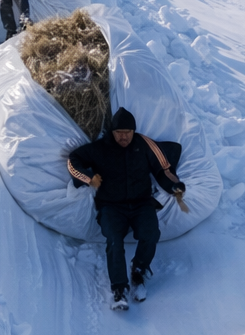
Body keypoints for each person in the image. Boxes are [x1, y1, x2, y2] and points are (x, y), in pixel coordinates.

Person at [67, 108, 187, 310]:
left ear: (134, 130)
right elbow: (73, 161)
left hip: (142, 203)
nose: (123, 136)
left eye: (127, 132)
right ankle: (119, 289)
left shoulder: (144, 144)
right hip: (111, 206)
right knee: (114, 240)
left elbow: (163, 167)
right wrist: (89, 177)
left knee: (151, 233)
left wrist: (174, 186)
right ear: (112, 132)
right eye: (118, 132)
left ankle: (138, 269)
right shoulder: (100, 149)